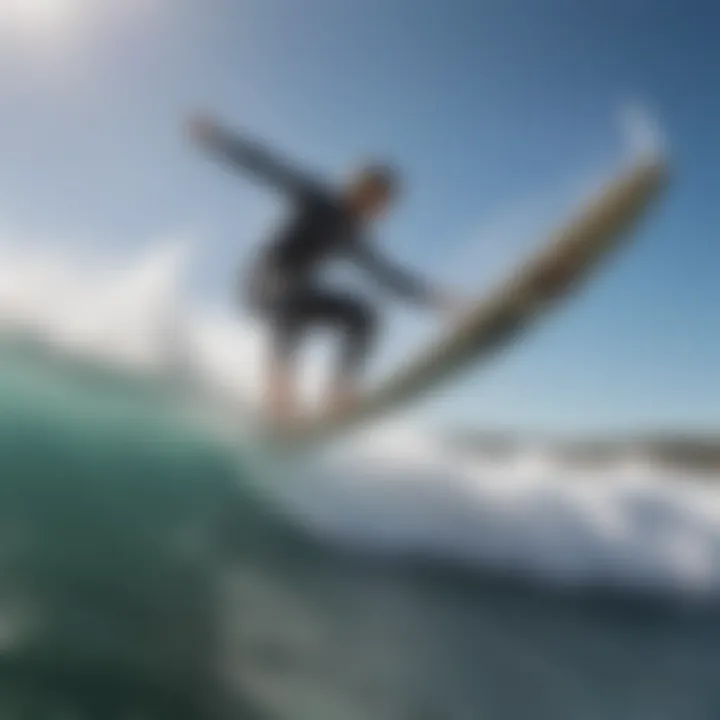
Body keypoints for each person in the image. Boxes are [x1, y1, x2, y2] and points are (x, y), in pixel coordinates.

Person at [188, 113, 457, 426]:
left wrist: (434, 300)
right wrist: (220, 140)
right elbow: (270, 168)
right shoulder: (317, 199)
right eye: (375, 197)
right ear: (357, 186)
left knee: (363, 315)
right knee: (293, 292)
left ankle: (338, 390)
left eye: (383, 204)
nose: (378, 209)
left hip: (295, 295)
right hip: (262, 283)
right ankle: (278, 390)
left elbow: (388, 275)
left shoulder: (351, 236)